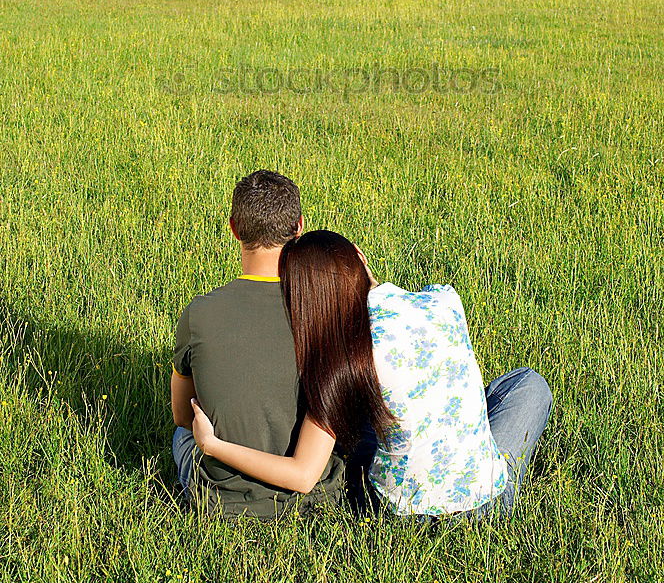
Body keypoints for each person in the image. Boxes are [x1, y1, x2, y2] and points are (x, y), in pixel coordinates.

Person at [190, 230, 552, 520]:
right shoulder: (443, 300)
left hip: (402, 513)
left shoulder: (342, 359)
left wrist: (213, 445)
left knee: (356, 430)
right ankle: (491, 472)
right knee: (526, 383)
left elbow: (303, 474)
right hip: (488, 499)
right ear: (360, 257)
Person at [170, 175, 345, 519]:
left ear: (234, 228)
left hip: (218, 497)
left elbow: (181, 415)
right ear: (299, 227)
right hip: (312, 496)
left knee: (181, 435)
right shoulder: (325, 311)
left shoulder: (199, 312)